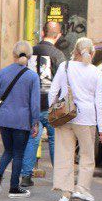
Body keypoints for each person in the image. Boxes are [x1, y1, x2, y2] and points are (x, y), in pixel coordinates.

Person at [47, 36, 102, 201]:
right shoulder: (96, 72)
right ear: (92, 53)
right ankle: (82, 190)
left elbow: (53, 91)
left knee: (64, 154)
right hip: (86, 119)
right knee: (87, 156)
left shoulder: (64, 66)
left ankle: (65, 193)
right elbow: (100, 102)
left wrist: (52, 111)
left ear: (75, 51)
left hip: (64, 116)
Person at [0, 40, 40, 199]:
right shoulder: (32, 76)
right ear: (29, 56)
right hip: (22, 120)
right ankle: (14, 188)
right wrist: (35, 122)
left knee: (8, 150)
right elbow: (35, 104)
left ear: (13, 55)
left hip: (4, 119)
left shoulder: (2, 73)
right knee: (18, 153)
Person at [21, 23, 66, 187]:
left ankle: (25, 176)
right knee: (55, 141)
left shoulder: (30, 52)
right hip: (51, 106)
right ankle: (59, 178)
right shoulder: (58, 55)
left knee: (32, 140)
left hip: (32, 105)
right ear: (58, 35)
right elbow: (64, 82)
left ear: (42, 33)